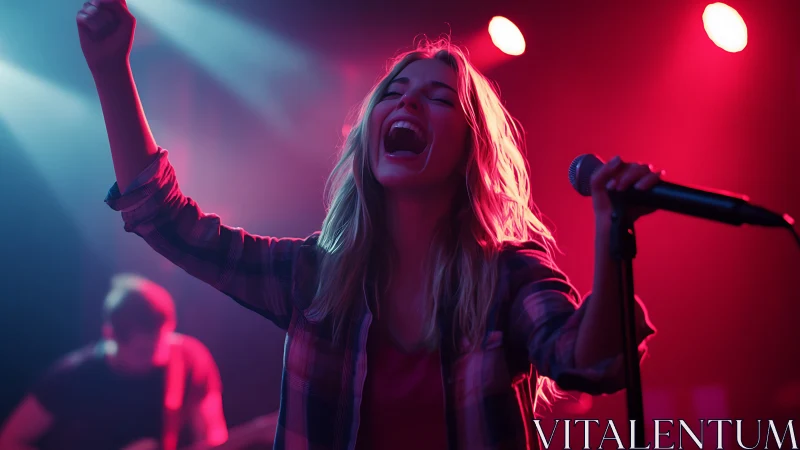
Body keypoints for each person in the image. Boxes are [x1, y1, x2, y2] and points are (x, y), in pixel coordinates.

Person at [74, 1, 659, 449]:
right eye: (394, 93)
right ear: (370, 133)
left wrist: (611, 235)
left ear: (472, 150)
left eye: (438, 99)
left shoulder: (508, 276)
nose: (406, 105)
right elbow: (165, 220)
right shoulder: (313, 278)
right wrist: (109, 69)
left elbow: (586, 359)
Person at [0, 274, 228, 450]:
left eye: (161, 345)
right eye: (142, 351)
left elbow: (212, 435)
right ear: (110, 335)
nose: (156, 357)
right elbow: (9, 441)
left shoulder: (189, 359)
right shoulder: (72, 376)